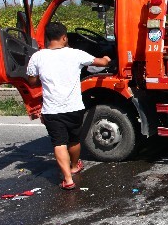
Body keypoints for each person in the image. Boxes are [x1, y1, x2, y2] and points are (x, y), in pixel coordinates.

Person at [26, 22, 111, 190]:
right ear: (64, 37)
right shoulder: (75, 54)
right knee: (73, 140)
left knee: (58, 142)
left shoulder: (37, 57)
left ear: (48, 38)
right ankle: (74, 166)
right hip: (74, 107)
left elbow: (31, 79)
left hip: (51, 109)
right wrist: (107, 59)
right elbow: (100, 62)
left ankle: (68, 179)